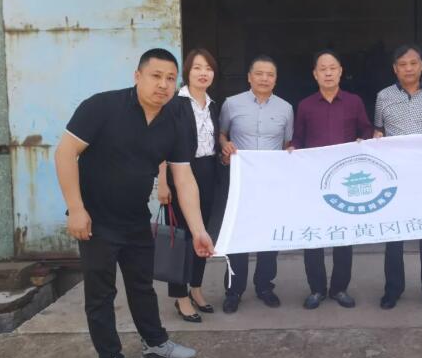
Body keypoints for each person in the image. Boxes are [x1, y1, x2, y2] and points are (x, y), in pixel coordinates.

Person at [54, 48, 215, 358]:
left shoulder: (174, 121)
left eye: (170, 78)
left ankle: (154, 342)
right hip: (96, 220)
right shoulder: (101, 106)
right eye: (156, 76)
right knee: (101, 294)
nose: (163, 85)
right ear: (137, 76)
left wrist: (199, 230)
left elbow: (183, 177)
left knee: (142, 285)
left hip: (136, 219)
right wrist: (76, 208)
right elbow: (65, 153)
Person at [290, 49, 374, 309]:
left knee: (343, 236)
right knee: (313, 235)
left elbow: (366, 130)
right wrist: (293, 149)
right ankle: (316, 289)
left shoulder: (354, 102)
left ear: (340, 72)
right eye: (322, 69)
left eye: (332, 68)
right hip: (314, 181)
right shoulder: (305, 105)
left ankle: (339, 288)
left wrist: (364, 140)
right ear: (315, 74)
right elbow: (298, 139)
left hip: (344, 181)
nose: (328, 73)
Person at [373, 44, 422, 312]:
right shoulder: (383, 96)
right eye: (402, 64)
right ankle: (392, 290)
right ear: (395, 68)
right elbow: (378, 131)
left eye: (413, 63)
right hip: (395, 178)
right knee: (394, 236)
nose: (408, 68)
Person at [219, 55, 294, 314]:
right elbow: (222, 134)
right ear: (249, 77)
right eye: (259, 74)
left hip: (271, 184)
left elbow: (287, 144)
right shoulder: (231, 104)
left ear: (276, 79)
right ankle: (233, 290)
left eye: (270, 74)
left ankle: (265, 286)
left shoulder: (285, 108)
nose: (264, 78)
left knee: (268, 237)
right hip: (240, 182)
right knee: (238, 237)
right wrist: (224, 146)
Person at [157, 48, 220, 323]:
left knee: (202, 232)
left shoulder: (213, 105)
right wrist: (162, 183)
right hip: (179, 174)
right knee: (180, 238)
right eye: (197, 68)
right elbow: (162, 145)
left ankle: (196, 288)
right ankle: (180, 296)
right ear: (187, 72)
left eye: (208, 68)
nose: (203, 73)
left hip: (208, 174)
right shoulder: (174, 105)